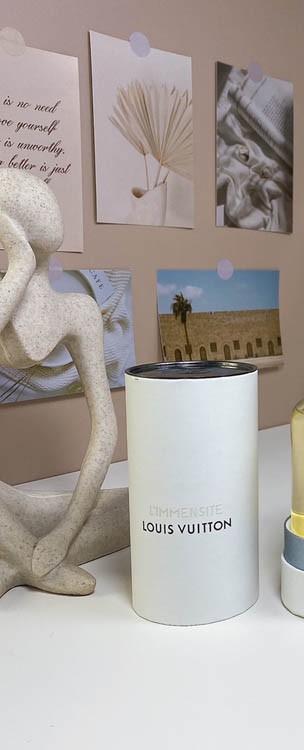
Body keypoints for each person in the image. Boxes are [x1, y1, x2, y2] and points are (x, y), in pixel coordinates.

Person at [0, 169, 117, 595]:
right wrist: (21, 264)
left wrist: (65, 532)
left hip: (47, 523)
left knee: (128, 504)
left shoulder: (78, 312)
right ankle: (32, 565)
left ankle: (16, 562)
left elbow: (105, 428)